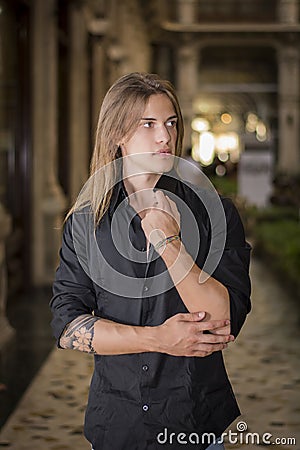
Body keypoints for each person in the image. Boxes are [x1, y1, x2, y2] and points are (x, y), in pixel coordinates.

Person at [50, 72, 251, 450]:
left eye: (171, 123)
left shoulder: (215, 214)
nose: (165, 136)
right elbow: (65, 324)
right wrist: (157, 338)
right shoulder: (86, 221)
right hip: (116, 427)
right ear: (117, 134)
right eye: (148, 124)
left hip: (194, 424)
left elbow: (222, 319)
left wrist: (167, 240)